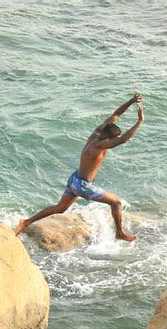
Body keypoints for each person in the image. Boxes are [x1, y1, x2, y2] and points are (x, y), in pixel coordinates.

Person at [15, 93, 145, 241]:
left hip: (75, 179)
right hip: (83, 185)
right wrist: (139, 121)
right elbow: (123, 139)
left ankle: (26, 222)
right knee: (116, 202)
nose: (113, 142)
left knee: (60, 208)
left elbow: (116, 114)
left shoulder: (98, 133)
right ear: (109, 138)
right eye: (112, 140)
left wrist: (131, 101)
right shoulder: (98, 146)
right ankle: (119, 233)